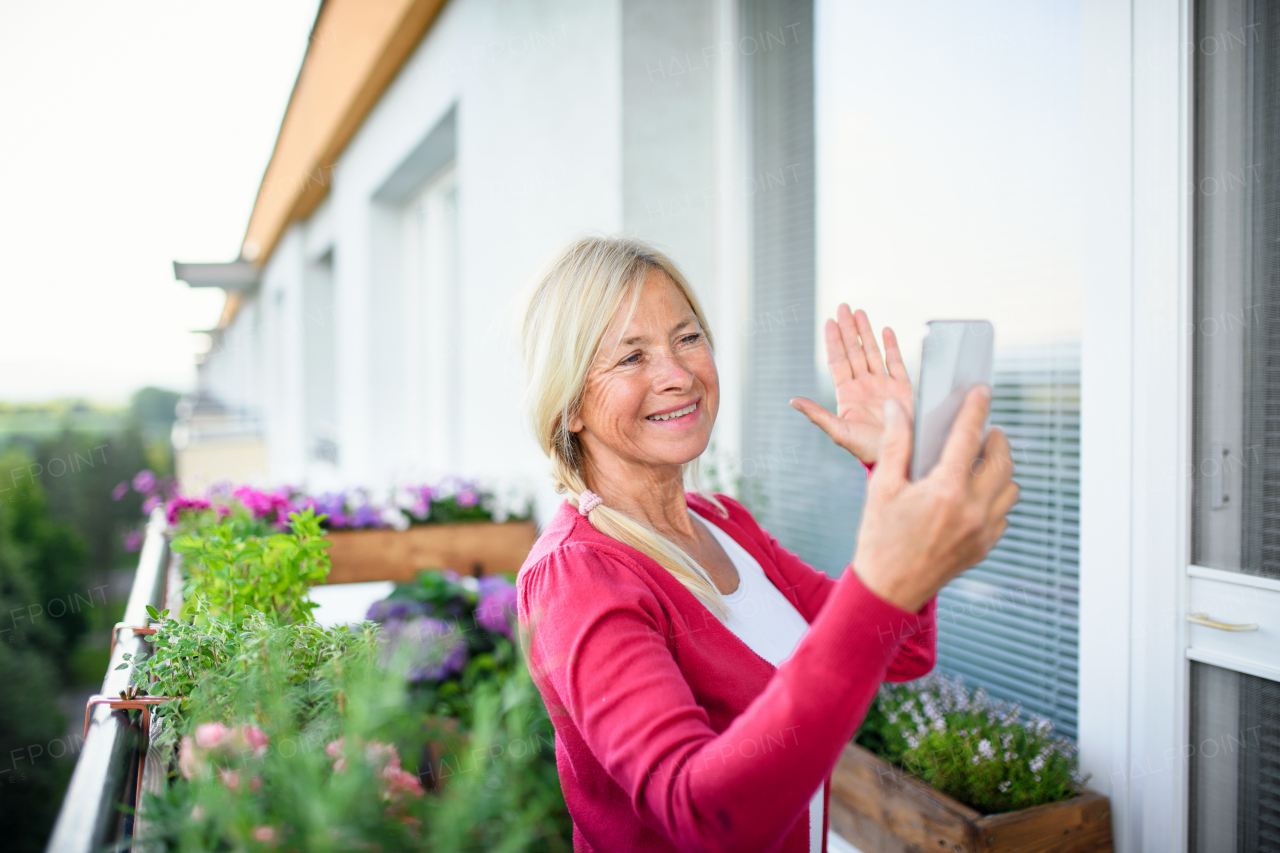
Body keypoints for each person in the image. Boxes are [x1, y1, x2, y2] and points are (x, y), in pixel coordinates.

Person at [516, 236, 1018, 853]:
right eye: (630, 358)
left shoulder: (723, 521)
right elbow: (700, 817)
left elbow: (901, 649)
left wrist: (900, 469)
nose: (677, 375)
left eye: (688, 338)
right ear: (568, 407)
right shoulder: (579, 575)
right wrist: (885, 576)